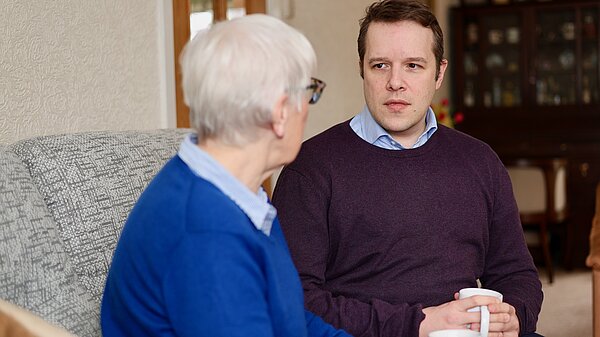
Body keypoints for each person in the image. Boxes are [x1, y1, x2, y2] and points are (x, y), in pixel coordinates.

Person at [272, 1, 543, 337]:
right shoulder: (310, 168)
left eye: (413, 65)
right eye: (380, 65)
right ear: (362, 69)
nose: (395, 82)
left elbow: (516, 273)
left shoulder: (480, 161)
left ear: (439, 73)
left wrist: (515, 316)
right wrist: (419, 324)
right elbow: (295, 302)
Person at [100, 14, 351, 337]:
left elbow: (291, 319)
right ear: (279, 112)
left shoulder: (239, 195)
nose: (308, 106)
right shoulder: (206, 236)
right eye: (308, 92)